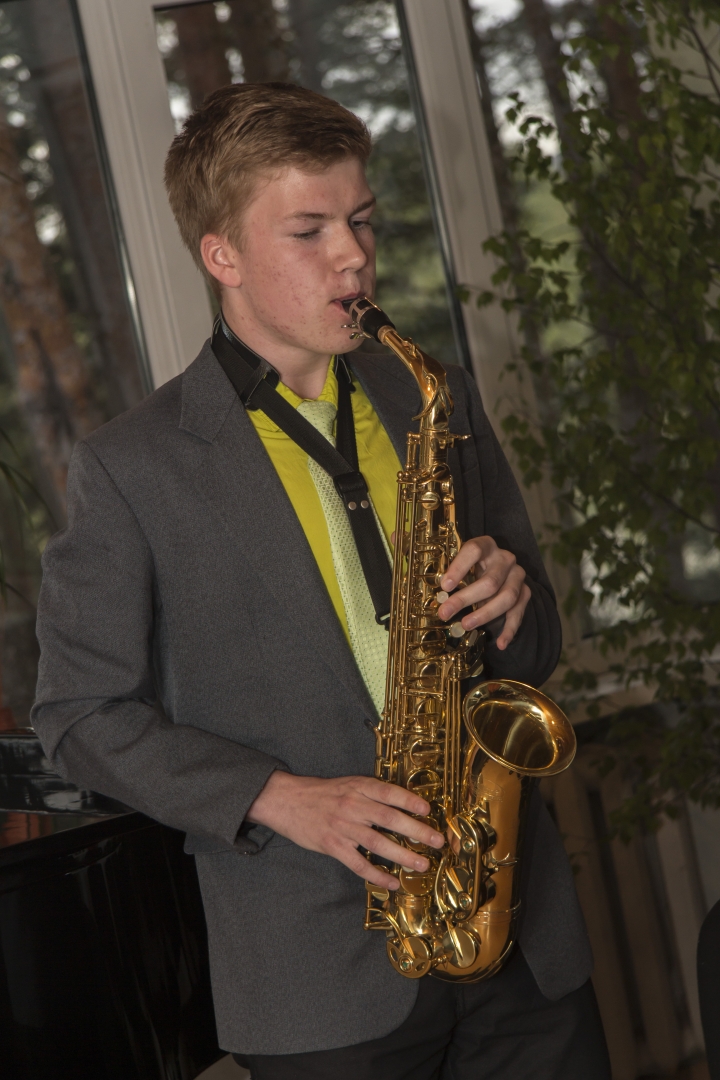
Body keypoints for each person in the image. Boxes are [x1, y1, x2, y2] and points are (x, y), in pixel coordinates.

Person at [31, 83, 609, 1079]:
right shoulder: (132, 468)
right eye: (309, 231)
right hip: (319, 979)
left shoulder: (433, 395)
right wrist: (277, 797)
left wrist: (515, 604)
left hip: (515, 931)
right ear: (221, 254)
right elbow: (78, 715)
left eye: (362, 221)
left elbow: (537, 648)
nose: (353, 256)